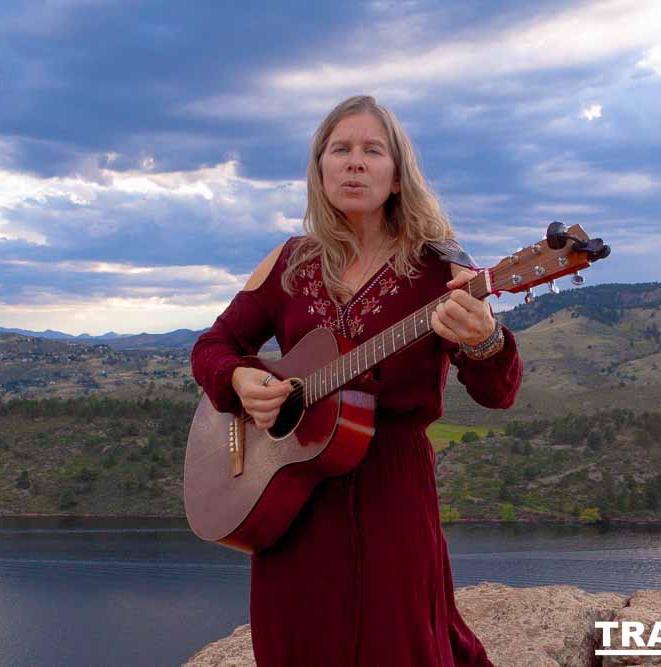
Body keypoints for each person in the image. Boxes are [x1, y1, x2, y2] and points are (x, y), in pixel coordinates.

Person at [191, 95, 523, 666]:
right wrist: (240, 378)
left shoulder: (443, 268)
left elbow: (498, 392)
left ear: (396, 175)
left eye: (373, 150)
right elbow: (212, 347)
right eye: (340, 149)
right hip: (289, 493)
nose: (354, 162)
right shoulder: (289, 261)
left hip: (392, 491)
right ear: (320, 169)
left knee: (399, 643)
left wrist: (485, 339)